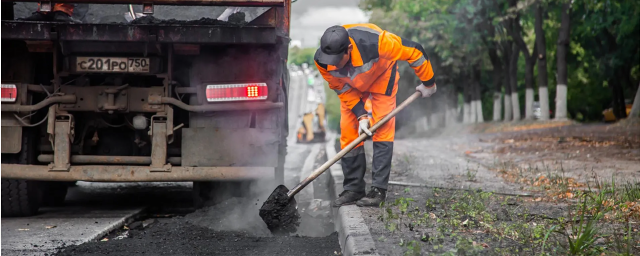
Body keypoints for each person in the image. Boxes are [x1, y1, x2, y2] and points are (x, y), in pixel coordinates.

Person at [314, 24, 437, 207]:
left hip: (382, 78)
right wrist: (361, 115)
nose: (333, 63)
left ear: (349, 48)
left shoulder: (377, 43)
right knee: (348, 133)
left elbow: (415, 51)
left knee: (382, 130)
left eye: (338, 59)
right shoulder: (323, 61)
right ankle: (353, 189)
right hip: (352, 88)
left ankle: (378, 190)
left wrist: (428, 83)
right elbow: (341, 88)